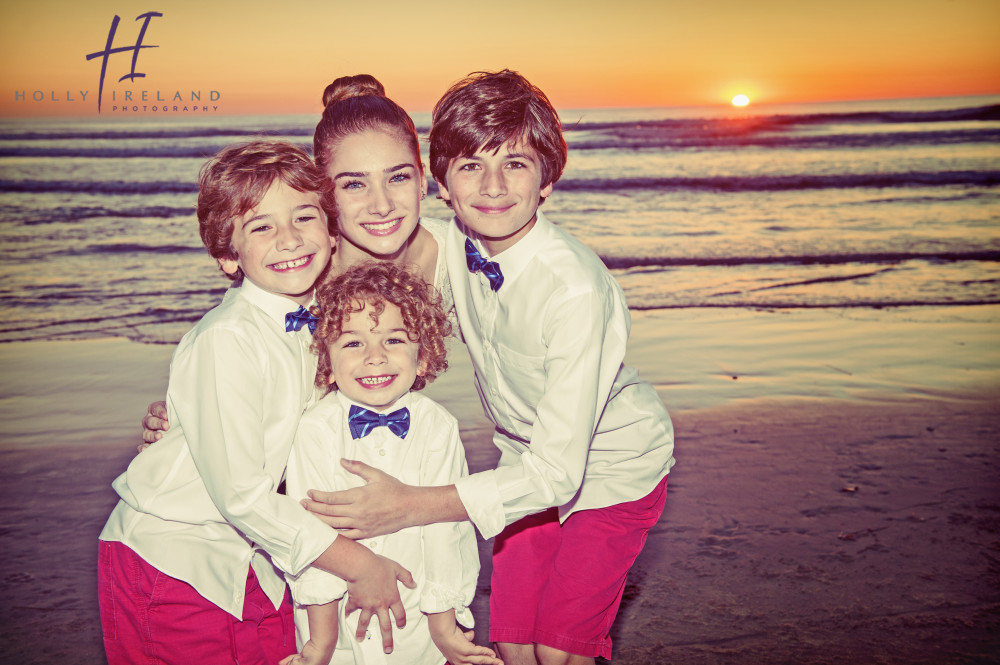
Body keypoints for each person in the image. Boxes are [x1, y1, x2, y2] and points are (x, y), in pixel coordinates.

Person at [303, 70, 676, 665]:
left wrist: (409, 504)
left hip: (611, 465)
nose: (494, 187)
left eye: (517, 166)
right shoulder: (452, 248)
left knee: (559, 652)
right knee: (509, 645)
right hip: (524, 459)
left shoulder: (574, 289)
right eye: (472, 166)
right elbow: (325, 330)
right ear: (443, 183)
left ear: (548, 179)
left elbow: (560, 470)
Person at [98, 140, 414, 665]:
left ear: (331, 235)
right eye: (260, 226)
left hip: (263, 558)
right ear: (228, 256)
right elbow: (241, 495)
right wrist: (358, 564)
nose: (289, 238)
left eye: (304, 217)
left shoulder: (328, 324)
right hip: (177, 561)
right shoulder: (228, 340)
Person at [140, 74, 453, 443]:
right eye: (354, 183)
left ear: (422, 181)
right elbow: (238, 359)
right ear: (324, 195)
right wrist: (191, 418)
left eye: (397, 177)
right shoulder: (296, 272)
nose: (381, 205)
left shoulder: (458, 257)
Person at [280, 261, 501, 665]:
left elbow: (446, 530)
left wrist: (443, 625)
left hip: (416, 622)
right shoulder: (313, 431)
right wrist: (321, 641)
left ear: (422, 357)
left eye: (394, 340)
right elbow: (309, 533)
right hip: (336, 624)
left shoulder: (438, 425)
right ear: (326, 364)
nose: (375, 357)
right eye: (353, 343)